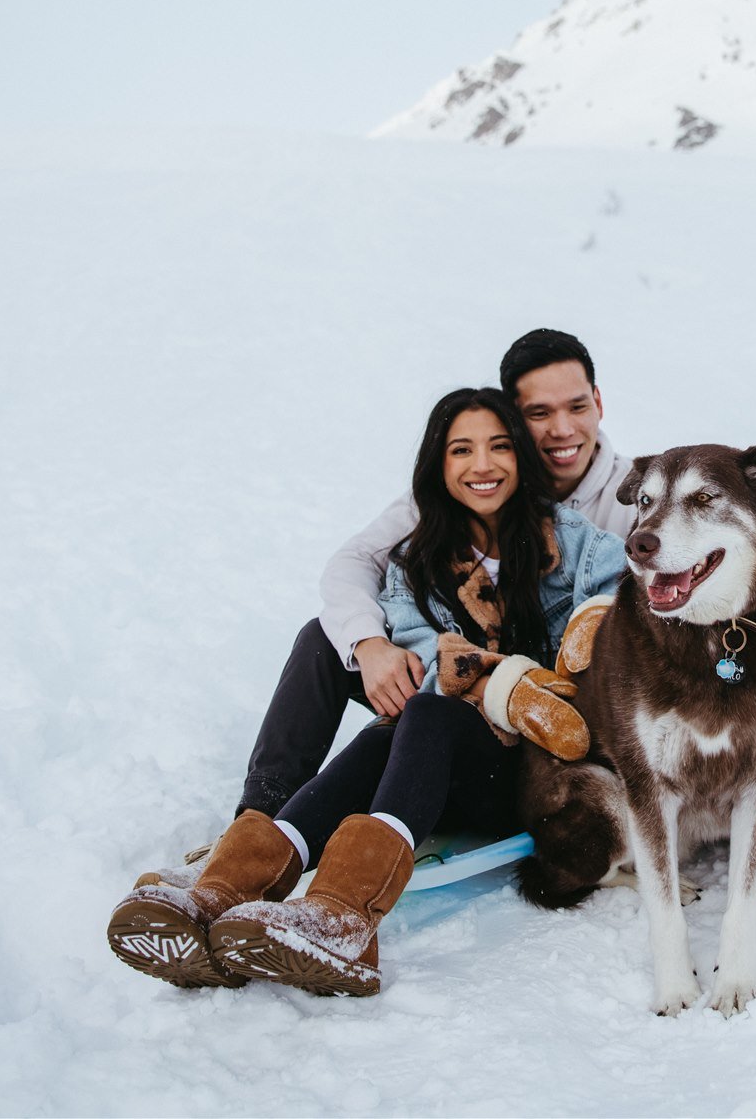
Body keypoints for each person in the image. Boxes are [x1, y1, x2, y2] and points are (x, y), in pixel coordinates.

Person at [126, 329, 756, 901]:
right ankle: (255, 833)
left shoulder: (635, 498)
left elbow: (726, 625)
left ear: (599, 404)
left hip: (554, 726)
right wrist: (376, 647)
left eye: (576, 406)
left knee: (708, 665)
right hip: (454, 685)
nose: (561, 428)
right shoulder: (475, 482)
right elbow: (352, 566)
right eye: (537, 413)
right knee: (324, 642)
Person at [108, 386, 626, 995]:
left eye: (499, 447)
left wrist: (548, 660)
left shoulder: (577, 543)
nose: (481, 465)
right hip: (440, 757)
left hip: (531, 771)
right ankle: (225, 891)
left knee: (428, 715)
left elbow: (617, 619)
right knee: (397, 728)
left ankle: (345, 916)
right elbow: (408, 640)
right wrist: (423, 664)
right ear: (438, 464)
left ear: (523, 457)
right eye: (461, 450)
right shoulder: (419, 558)